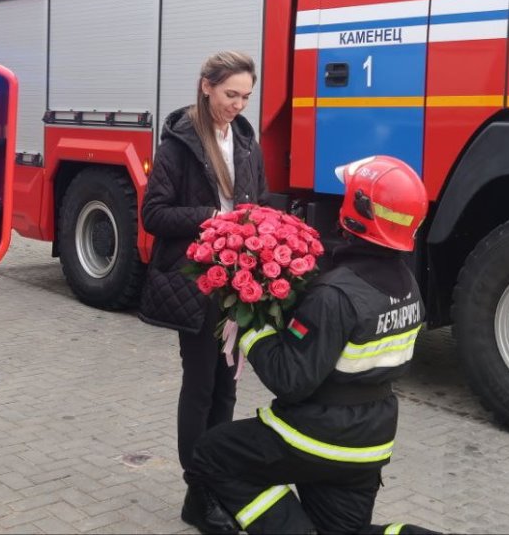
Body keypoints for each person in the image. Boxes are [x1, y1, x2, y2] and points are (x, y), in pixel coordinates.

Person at [188, 155, 438, 534]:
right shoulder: (408, 286)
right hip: (370, 442)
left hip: (318, 436)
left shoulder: (335, 294)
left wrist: (249, 320)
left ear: (353, 212)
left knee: (212, 453)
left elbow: (291, 379)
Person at [138, 50, 268, 532]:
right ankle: (198, 494)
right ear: (207, 85)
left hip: (238, 286)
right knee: (199, 387)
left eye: (246, 97)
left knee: (227, 390)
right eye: (231, 94)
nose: (238, 105)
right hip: (197, 283)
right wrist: (211, 219)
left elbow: (261, 202)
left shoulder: (247, 142)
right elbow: (154, 214)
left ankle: (219, 482)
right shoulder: (179, 143)